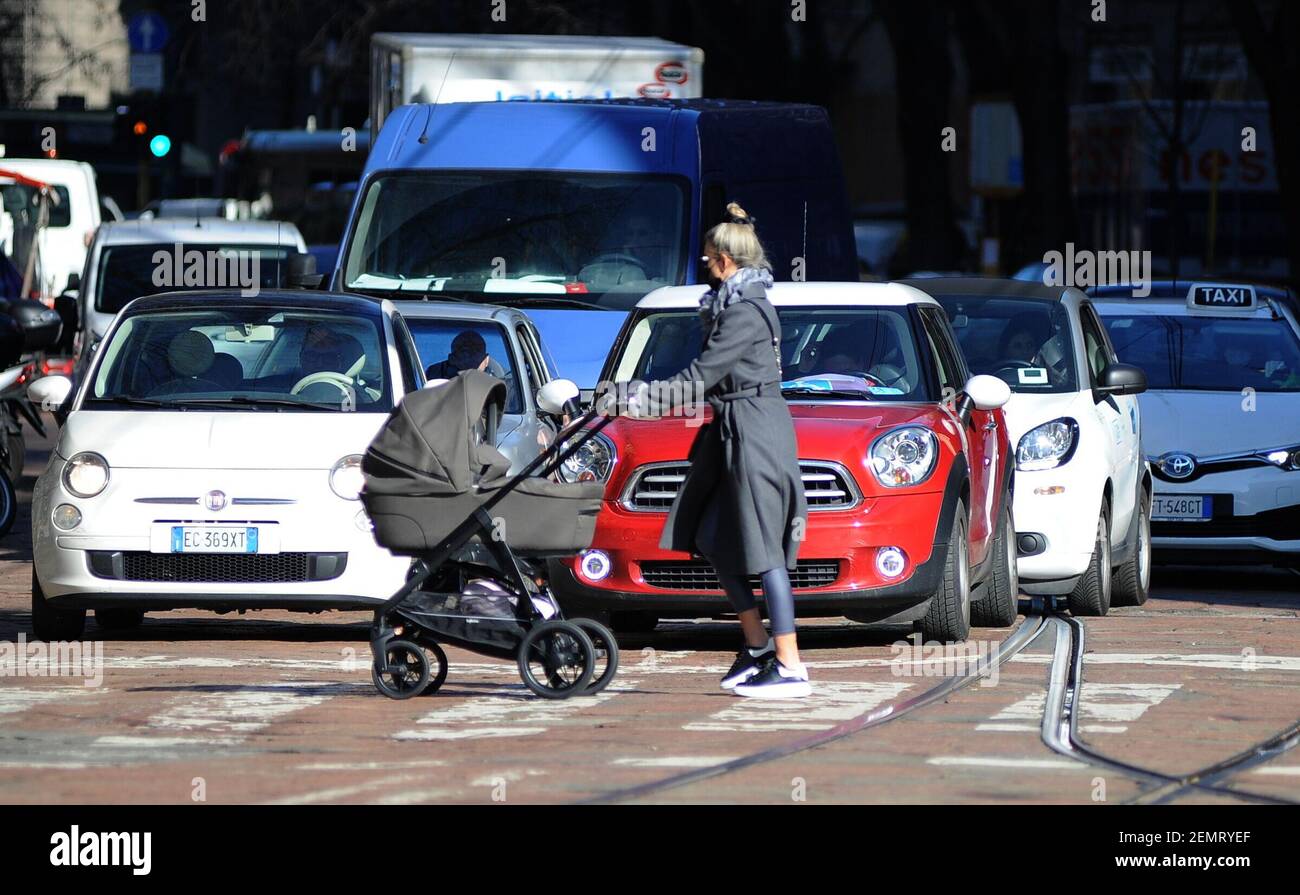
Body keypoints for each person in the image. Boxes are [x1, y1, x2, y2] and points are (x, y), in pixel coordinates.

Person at [620, 202, 811, 698]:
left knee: (764, 548)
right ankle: (756, 645)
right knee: (711, 537)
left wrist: (637, 399)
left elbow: (703, 376)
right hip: (731, 430)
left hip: (754, 432)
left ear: (726, 261)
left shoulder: (744, 313)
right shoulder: (733, 306)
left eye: (708, 259)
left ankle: (790, 664)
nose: (705, 266)